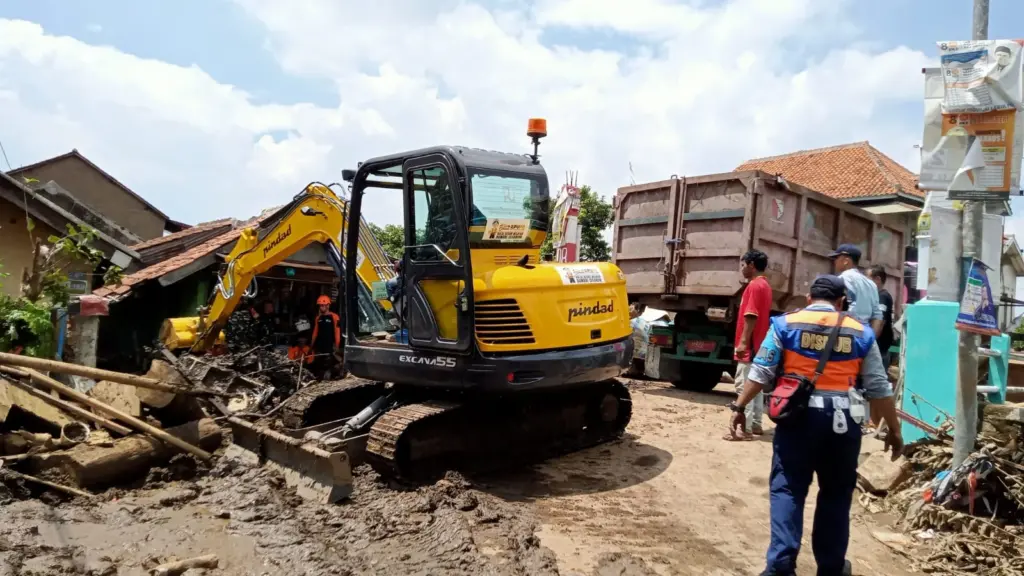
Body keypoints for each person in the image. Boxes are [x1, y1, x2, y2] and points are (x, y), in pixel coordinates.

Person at [728, 275, 904, 576]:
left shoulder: (785, 324)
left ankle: (781, 566)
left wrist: (739, 407)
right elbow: (878, 386)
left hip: (798, 419)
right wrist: (894, 429)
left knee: (788, 490)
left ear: (809, 298)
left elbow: (760, 371)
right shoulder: (860, 332)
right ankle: (831, 567)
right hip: (843, 422)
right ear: (841, 302)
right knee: (835, 494)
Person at [725, 249, 772, 440]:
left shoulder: (753, 286)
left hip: (751, 345)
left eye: (744, 265)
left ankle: (743, 429)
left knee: (743, 385)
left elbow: (751, 315)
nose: (743, 269)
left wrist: (743, 342)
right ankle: (756, 424)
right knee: (755, 384)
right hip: (760, 344)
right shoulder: (766, 285)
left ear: (752, 265)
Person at [829, 244, 883, 338]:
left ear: (846, 261)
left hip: (847, 333)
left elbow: (846, 309)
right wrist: (870, 339)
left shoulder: (843, 279)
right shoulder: (871, 284)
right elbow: (877, 315)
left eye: (836, 258)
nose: (835, 262)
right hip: (865, 333)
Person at [866, 265, 895, 368]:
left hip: (879, 350)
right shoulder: (876, 297)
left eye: (867, 278)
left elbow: (879, 322)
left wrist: (869, 344)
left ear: (877, 279)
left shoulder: (882, 297)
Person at [311, 294, 341, 378]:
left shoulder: (335, 317)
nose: (321, 307)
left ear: (328, 305)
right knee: (319, 365)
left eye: (323, 305)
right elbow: (315, 332)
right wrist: (311, 346)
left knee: (331, 364)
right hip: (320, 347)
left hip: (330, 346)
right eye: (320, 305)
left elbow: (337, 332)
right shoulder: (318, 318)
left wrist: (337, 346)